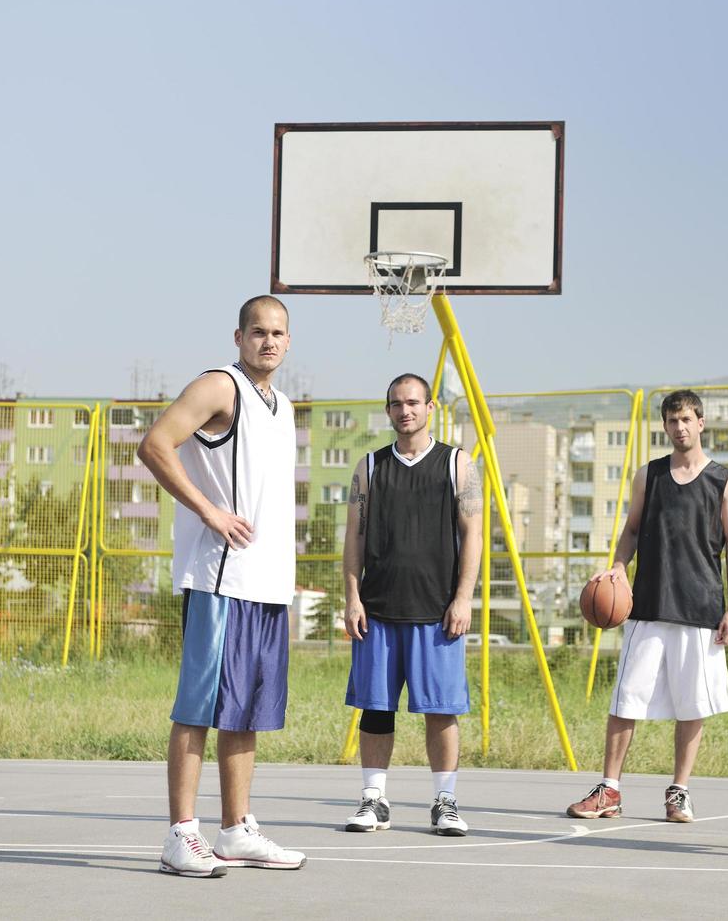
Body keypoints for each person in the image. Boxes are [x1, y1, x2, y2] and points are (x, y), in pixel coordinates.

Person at [138, 295, 306, 878]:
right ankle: (181, 834)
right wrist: (209, 511)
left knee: (247, 711)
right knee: (200, 707)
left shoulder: (282, 405)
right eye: (257, 331)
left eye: (278, 333)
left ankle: (235, 830)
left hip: (266, 582)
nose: (268, 341)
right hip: (219, 577)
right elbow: (155, 444)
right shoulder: (219, 386)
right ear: (237, 337)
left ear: (288, 341)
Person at [567, 390, 728, 824]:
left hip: (701, 608)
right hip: (647, 606)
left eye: (686, 419)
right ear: (664, 426)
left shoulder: (724, 481)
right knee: (626, 699)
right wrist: (618, 568)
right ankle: (610, 789)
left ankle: (679, 792)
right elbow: (630, 531)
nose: (679, 427)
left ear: (701, 422)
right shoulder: (649, 475)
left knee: (693, 705)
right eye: (672, 421)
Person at [340, 373, 484, 837]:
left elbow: (474, 535)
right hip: (379, 608)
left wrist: (464, 598)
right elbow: (353, 537)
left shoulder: (458, 464)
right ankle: (373, 799)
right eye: (397, 404)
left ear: (430, 408)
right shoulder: (369, 467)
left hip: (438, 611)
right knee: (376, 708)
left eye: (414, 402)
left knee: (441, 711)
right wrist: (351, 595)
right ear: (388, 411)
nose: (406, 411)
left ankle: (445, 802)